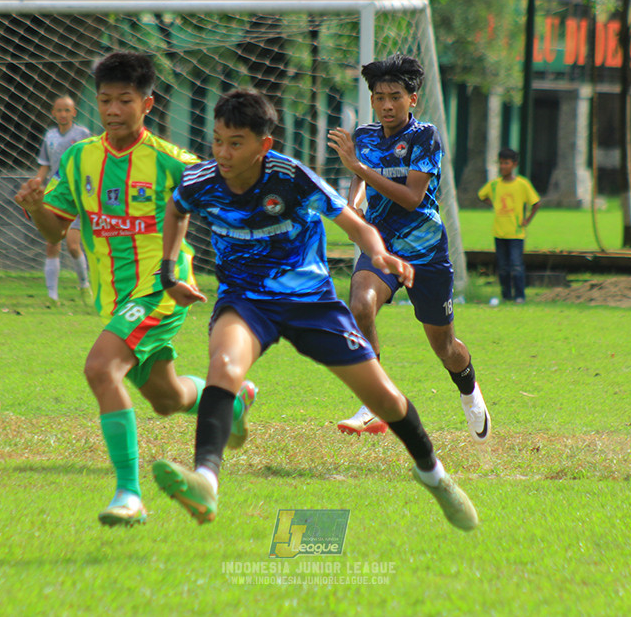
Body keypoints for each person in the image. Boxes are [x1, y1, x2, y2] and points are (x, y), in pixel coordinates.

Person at [153, 89, 478, 532]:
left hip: (311, 304)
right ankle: (205, 481)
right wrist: (168, 269)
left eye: (235, 143)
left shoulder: (292, 177)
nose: (223, 153)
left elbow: (354, 222)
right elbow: (177, 210)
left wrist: (379, 255)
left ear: (264, 145)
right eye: (218, 141)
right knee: (223, 365)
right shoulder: (201, 180)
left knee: (384, 399)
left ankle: (434, 475)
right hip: (245, 300)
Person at [14, 52, 256, 528]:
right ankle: (232, 398)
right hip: (115, 299)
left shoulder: (171, 161)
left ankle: (129, 495)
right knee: (167, 400)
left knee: (101, 368)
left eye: (125, 100)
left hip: (161, 290)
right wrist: (37, 207)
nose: (113, 110)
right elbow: (55, 229)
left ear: (147, 104)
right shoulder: (79, 158)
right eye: (105, 100)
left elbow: (234, 195)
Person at [326, 53, 490, 445]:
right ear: (371, 100)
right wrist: (353, 205)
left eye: (395, 97)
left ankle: (469, 390)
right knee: (360, 306)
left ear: (412, 99)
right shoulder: (365, 136)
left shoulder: (424, 137)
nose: (387, 105)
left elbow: (413, 198)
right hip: (382, 246)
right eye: (380, 97)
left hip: (426, 252)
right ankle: (373, 401)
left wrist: (359, 169)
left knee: (445, 348)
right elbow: (361, 180)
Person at [35, 95, 92, 306]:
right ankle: (52, 297)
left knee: (73, 245)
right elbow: (45, 165)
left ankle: (84, 285)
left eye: (67, 110)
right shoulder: (49, 136)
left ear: (74, 113)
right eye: (59, 110)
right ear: (53, 113)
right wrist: (37, 183)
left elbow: (90, 163)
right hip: (55, 196)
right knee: (52, 244)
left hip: (76, 196)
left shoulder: (83, 135)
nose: (63, 114)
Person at [478, 148, 541, 304]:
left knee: (516, 265)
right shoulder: (494, 185)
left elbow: (536, 203)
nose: (503, 166)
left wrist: (527, 220)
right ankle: (506, 295)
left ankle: (520, 296)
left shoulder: (522, 184)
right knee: (503, 266)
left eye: (506, 163)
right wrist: (493, 204)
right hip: (499, 232)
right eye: (501, 163)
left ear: (514, 165)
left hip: (516, 233)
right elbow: (481, 195)